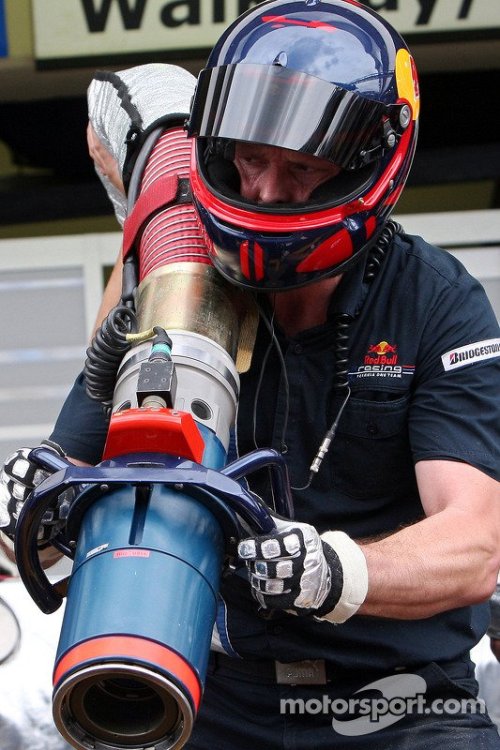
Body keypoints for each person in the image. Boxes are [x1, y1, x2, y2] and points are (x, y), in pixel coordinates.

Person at [1, 1, 500, 748]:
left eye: (300, 167)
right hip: (213, 700)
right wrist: (32, 510)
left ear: (370, 162)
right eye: (250, 158)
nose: (265, 191)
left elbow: (476, 545)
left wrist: (332, 572)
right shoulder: (180, 287)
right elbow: (42, 537)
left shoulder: (438, 301)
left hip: (402, 705)